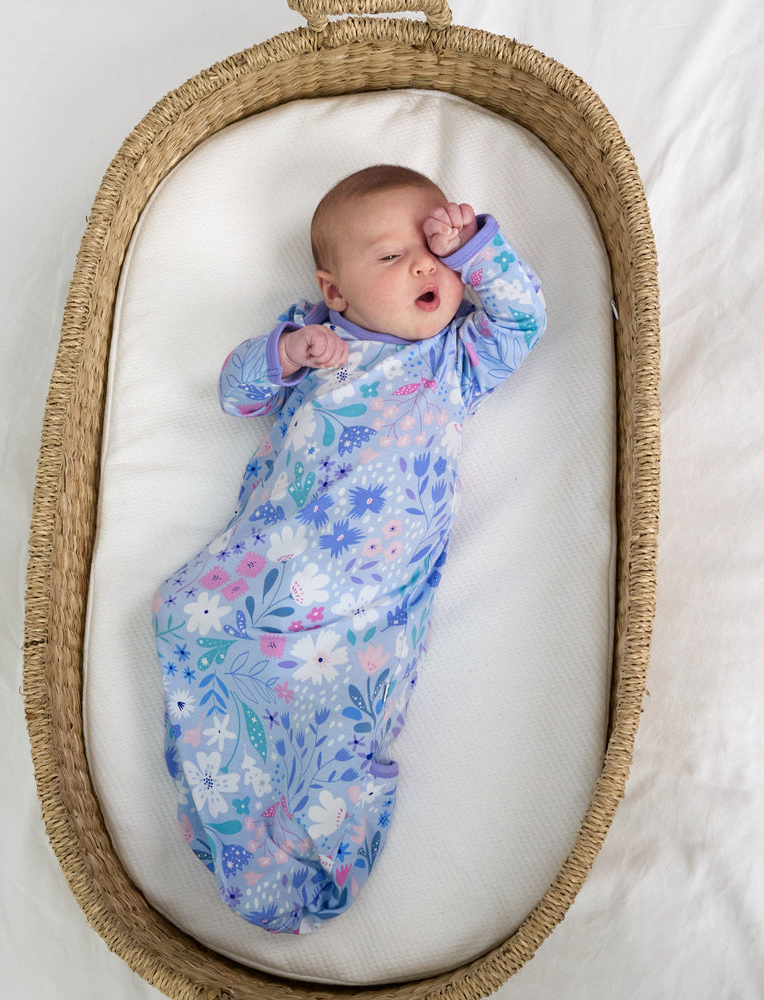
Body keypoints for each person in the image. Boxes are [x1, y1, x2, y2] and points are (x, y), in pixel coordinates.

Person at [152, 165, 546, 933]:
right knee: (182, 617)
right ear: (336, 291)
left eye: (433, 248)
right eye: (391, 257)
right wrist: (288, 351)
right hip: (271, 563)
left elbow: (523, 318)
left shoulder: (451, 362)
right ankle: (231, 800)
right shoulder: (316, 338)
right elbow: (237, 394)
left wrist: (475, 251)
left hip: (366, 602)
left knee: (342, 717)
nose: (423, 266)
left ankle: (309, 853)